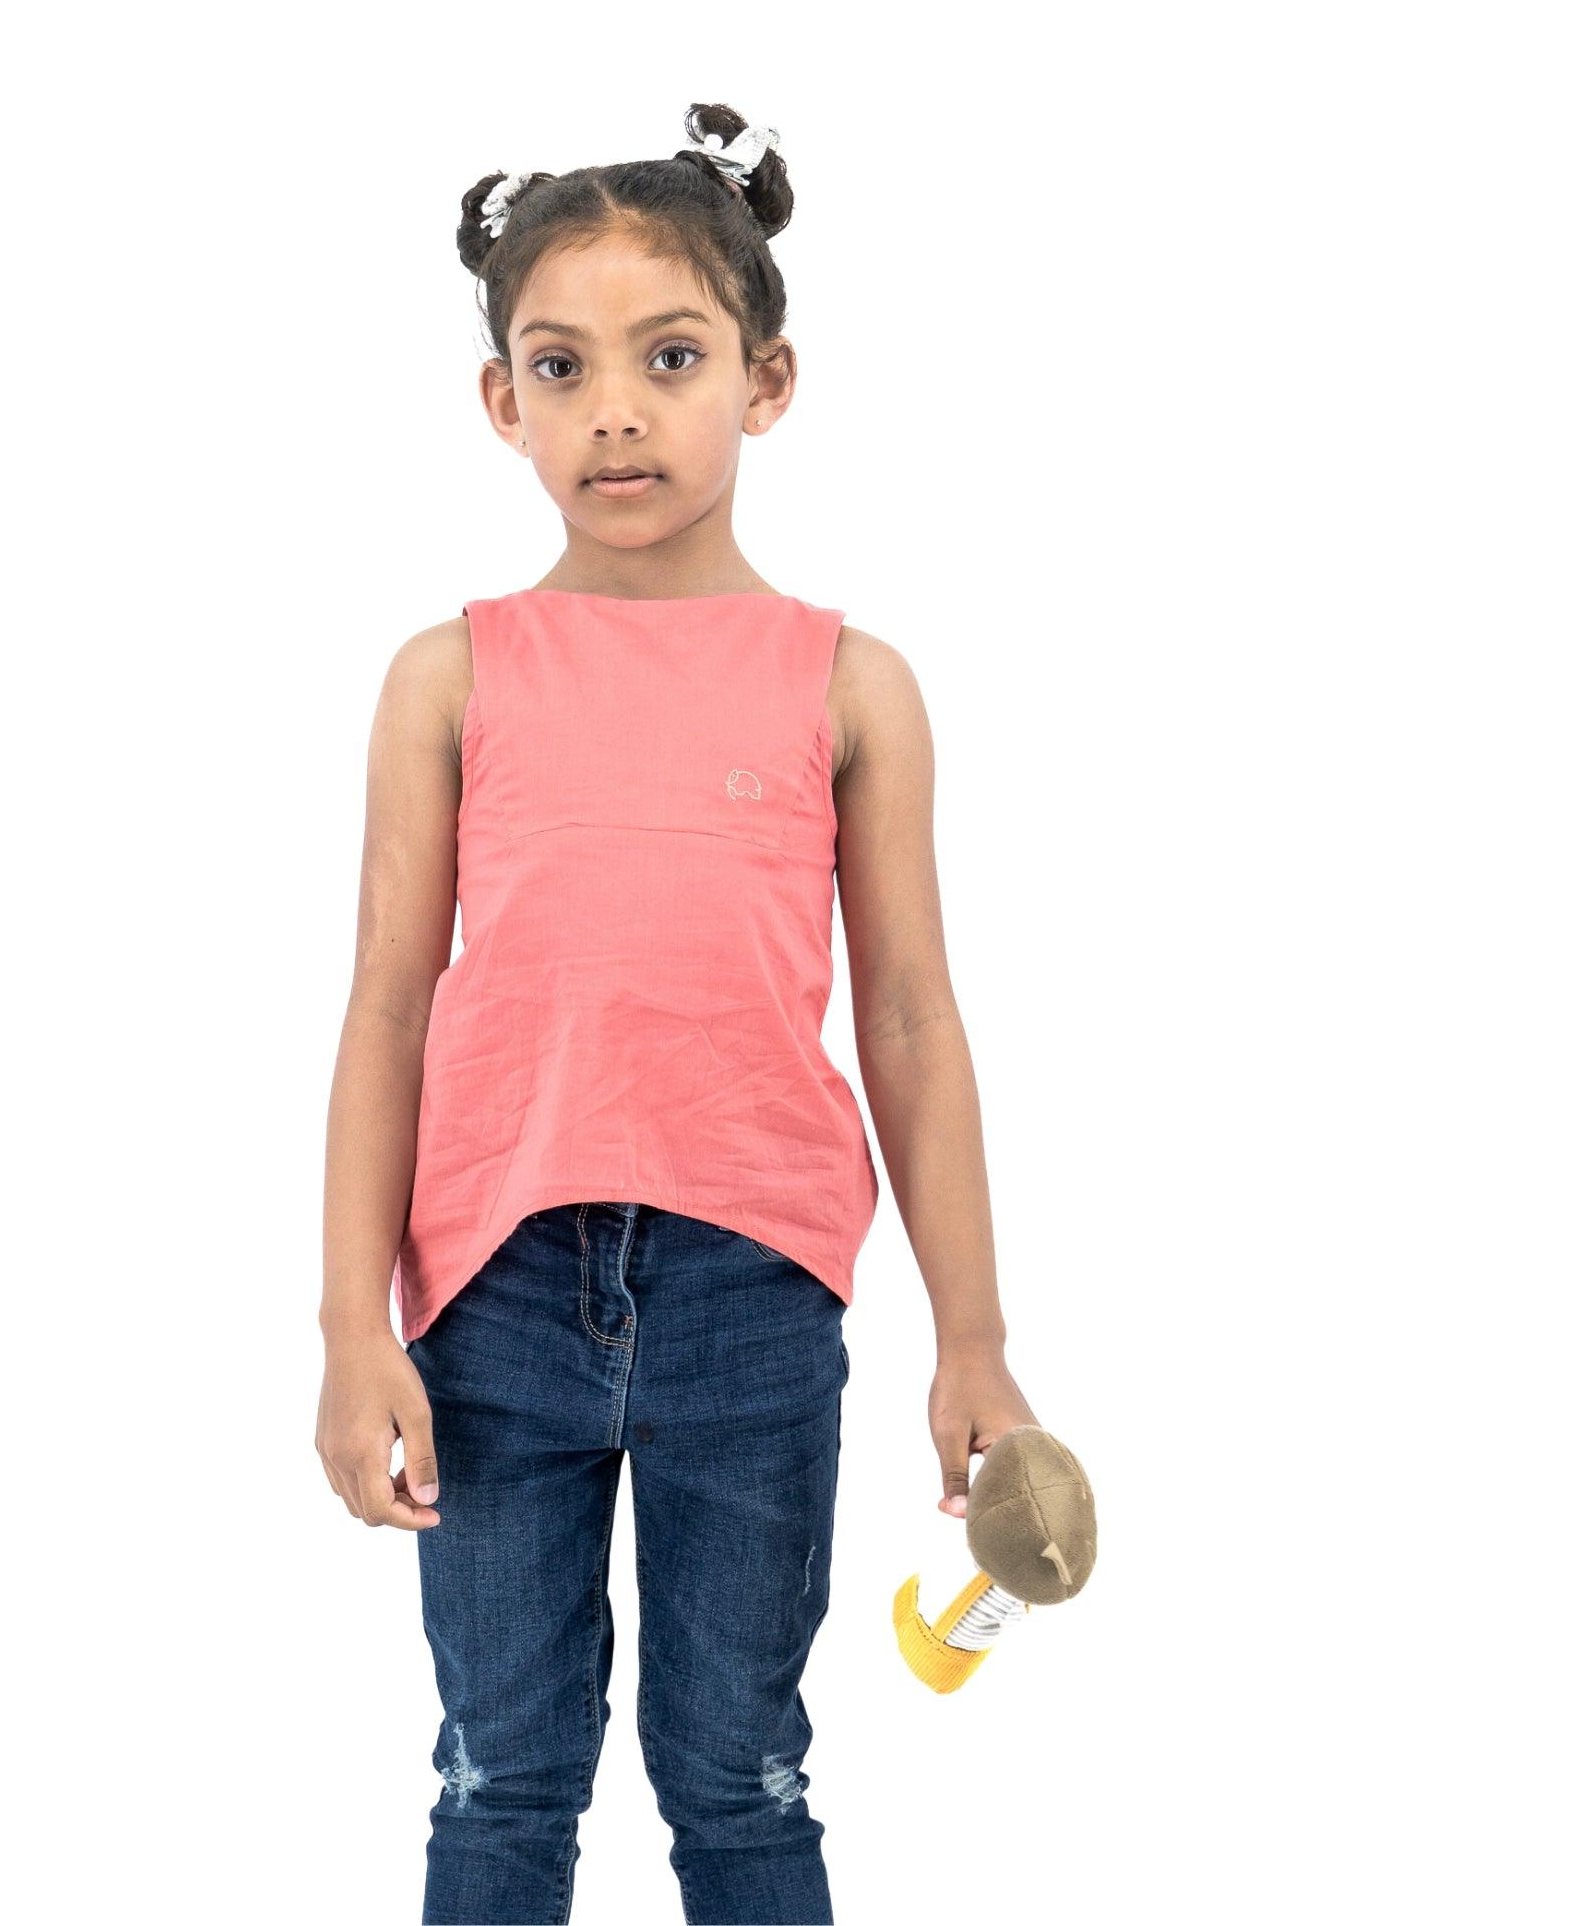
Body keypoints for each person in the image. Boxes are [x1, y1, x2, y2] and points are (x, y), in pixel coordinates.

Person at [316, 103, 1038, 1925]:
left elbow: (915, 1020)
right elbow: (388, 1006)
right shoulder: (451, 673)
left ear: (767, 378)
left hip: (753, 1292)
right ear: (503, 401)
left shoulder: (849, 682)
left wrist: (975, 1337)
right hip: (486, 1296)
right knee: (501, 1777)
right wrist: (349, 1322)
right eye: (560, 367)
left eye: (671, 358)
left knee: (741, 1774)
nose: (615, 410)